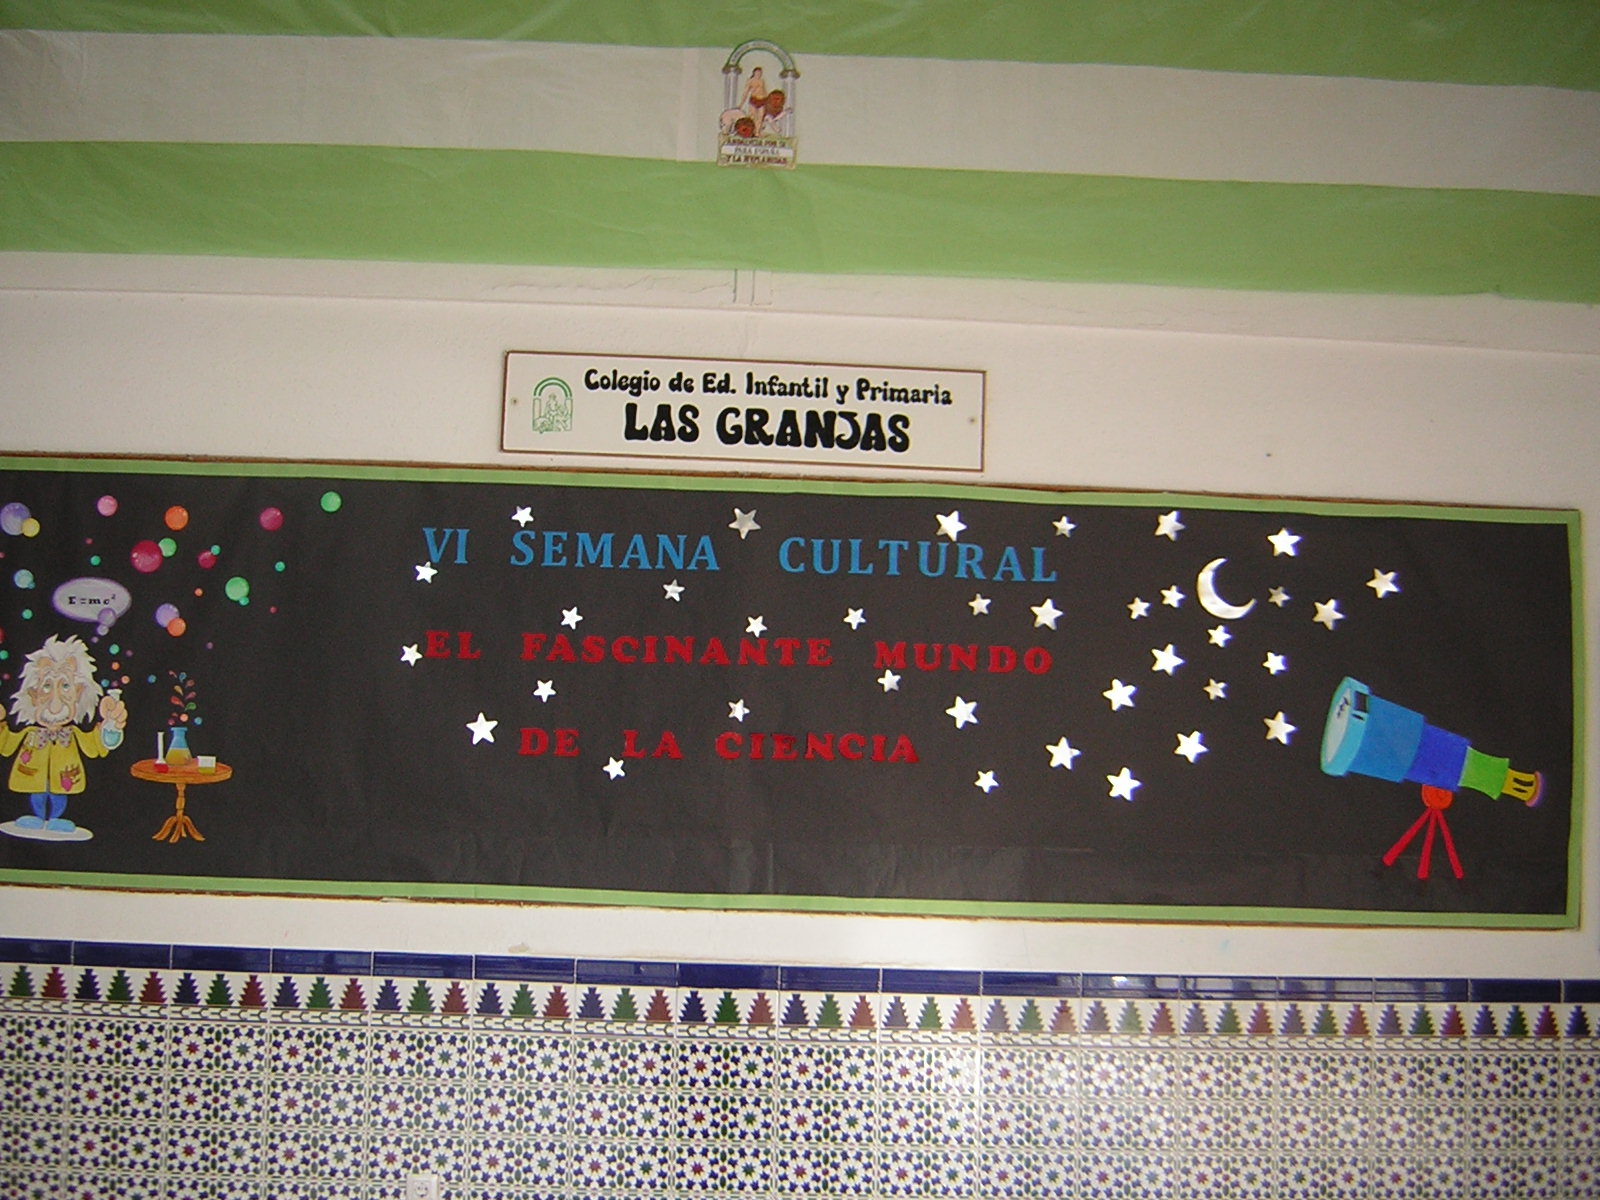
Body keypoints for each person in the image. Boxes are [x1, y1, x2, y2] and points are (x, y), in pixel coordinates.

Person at [0, 634, 126, 838]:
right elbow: (6, 745)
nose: (54, 699)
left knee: (59, 797)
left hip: (65, 778)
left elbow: (95, 747)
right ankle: (37, 817)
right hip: (31, 776)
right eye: (46, 686)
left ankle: (56, 818)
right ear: (33, 694)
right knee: (37, 795)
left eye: (65, 686)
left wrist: (111, 727)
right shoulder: (30, 734)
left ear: (79, 692)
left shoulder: (73, 734)